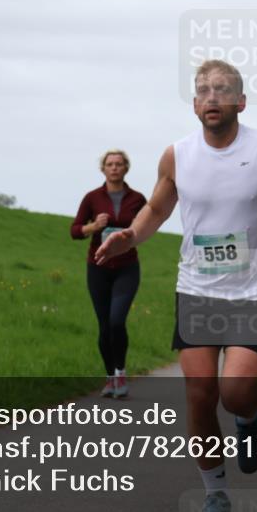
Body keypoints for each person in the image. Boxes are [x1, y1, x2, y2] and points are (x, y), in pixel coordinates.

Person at [94, 59, 257, 512]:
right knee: (199, 394)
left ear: (241, 101)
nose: (213, 97)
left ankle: (252, 414)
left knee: (235, 393)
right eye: (204, 91)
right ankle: (215, 496)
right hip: (196, 290)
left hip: (251, 293)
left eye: (223, 89)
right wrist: (130, 235)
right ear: (194, 104)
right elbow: (156, 209)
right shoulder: (177, 156)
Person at [71, 150, 147, 398]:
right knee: (104, 326)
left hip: (126, 268)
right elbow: (74, 231)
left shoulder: (137, 199)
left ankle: (120, 373)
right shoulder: (92, 198)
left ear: (126, 168)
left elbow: (146, 227)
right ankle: (110, 378)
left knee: (116, 321)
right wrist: (94, 226)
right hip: (98, 269)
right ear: (103, 169)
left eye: (119, 164)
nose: (114, 168)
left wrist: (132, 234)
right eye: (109, 164)